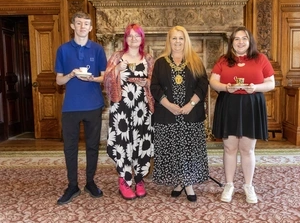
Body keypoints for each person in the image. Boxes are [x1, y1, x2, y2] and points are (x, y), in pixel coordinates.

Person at [209, 26, 275, 204]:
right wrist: (226, 88)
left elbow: (271, 83)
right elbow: (213, 81)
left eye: (244, 38)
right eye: (236, 39)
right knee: (230, 147)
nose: (240, 42)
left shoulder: (260, 58)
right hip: (229, 103)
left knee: (247, 149)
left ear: (249, 41)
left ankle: (248, 185)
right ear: (232, 42)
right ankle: (229, 185)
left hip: (251, 105)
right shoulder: (223, 60)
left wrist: (255, 88)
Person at [150, 25, 209, 202]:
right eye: (174, 38)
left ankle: (188, 184)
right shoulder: (160, 62)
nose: (177, 42)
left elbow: (203, 85)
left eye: (181, 38)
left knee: (189, 149)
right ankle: (179, 182)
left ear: (186, 41)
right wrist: (169, 105)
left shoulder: (196, 61)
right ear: (169, 41)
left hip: (190, 113)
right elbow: (155, 87)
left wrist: (191, 104)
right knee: (173, 149)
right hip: (168, 114)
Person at [55, 11, 107, 205]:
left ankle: (90, 182)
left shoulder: (98, 49)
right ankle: (72, 185)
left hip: (93, 104)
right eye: (79, 23)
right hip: (70, 107)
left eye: (86, 24)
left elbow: (105, 76)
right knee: (70, 148)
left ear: (91, 28)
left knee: (93, 146)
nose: (82, 26)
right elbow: (59, 80)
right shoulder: (63, 50)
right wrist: (71, 74)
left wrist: (92, 78)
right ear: (72, 26)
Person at [104, 23, 155, 200]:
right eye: (130, 36)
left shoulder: (148, 58)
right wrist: (117, 70)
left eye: (137, 36)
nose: (133, 39)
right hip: (122, 110)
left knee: (141, 142)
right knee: (123, 143)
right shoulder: (117, 56)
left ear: (142, 38)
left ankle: (139, 178)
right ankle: (124, 180)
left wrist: (146, 82)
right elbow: (106, 81)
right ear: (125, 38)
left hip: (142, 110)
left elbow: (155, 82)